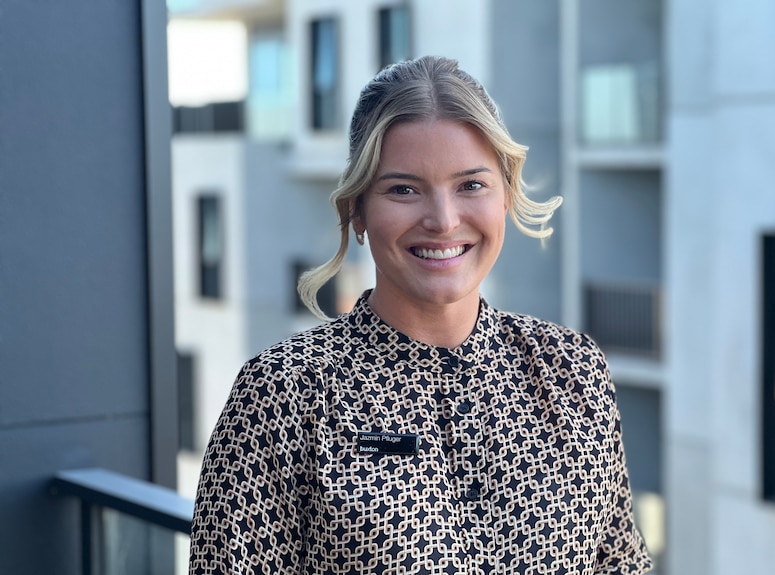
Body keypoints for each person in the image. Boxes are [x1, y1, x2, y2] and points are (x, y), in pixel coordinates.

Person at [190, 55, 652, 575]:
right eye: (403, 190)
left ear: (505, 196)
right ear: (357, 211)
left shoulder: (573, 369)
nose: (443, 220)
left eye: (471, 185)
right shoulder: (283, 393)